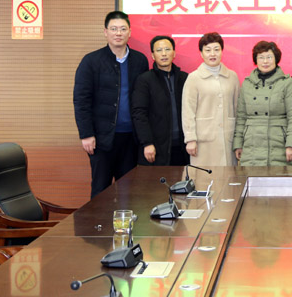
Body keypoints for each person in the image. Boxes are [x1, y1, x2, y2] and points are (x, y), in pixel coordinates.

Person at [73, 11, 149, 198]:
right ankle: (98, 220)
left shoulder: (140, 60)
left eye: (123, 29)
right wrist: (86, 134)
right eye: (114, 29)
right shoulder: (91, 61)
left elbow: (143, 100)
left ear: (130, 32)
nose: (118, 33)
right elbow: (81, 100)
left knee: (129, 191)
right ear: (105, 32)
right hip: (102, 138)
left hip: (131, 138)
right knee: (101, 190)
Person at [233, 41, 292, 166]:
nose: (265, 61)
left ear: (276, 59)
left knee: (279, 177)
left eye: (269, 57)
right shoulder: (247, 83)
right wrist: (238, 144)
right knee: (252, 177)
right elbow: (241, 116)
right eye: (261, 57)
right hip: (251, 143)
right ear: (256, 60)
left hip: (278, 143)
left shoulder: (286, 82)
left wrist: (291, 144)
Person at [182, 32, 240, 166]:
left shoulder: (232, 76)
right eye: (208, 50)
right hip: (203, 140)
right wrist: (190, 139)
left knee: (228, 175)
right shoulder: (193, 78)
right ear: (201, 53)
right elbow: (187, 111)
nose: (212, 54)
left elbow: (238, 109)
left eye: (216, 49)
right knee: (204, 176)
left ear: (222, 51)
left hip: (228, 138)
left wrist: (239, 140)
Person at [131, 36, 189, 166]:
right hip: (156, 148)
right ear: (153, 55)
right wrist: (147, 143)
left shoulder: (185, 78)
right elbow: (139, 114)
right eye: (159, 50)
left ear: (174, 53)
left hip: (183, 147)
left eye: (167, 49)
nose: (164, 54)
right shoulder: (144, 80)